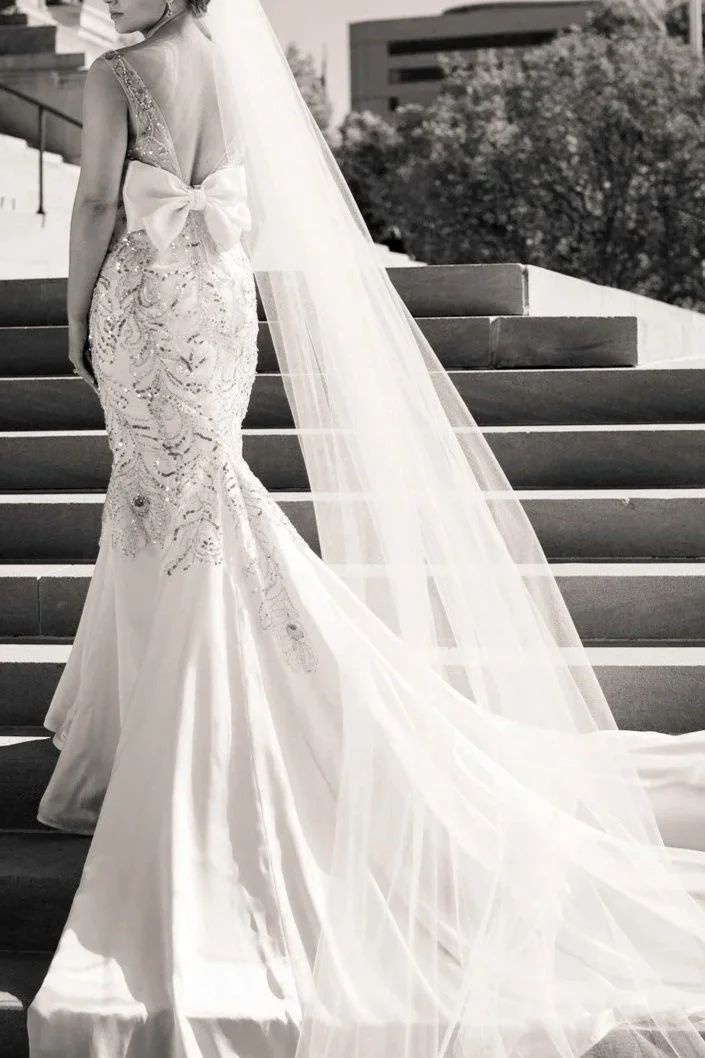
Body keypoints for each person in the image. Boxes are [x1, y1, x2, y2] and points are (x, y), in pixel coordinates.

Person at [26, 0, 705, 1055]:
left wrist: (74, 315)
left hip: (144, 297)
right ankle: (147, 700)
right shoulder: (234, 67)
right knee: (190, 493)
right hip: (216, 291)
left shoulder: (120, 73)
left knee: (167, 495)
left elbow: (93, 206)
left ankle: (189, 722)